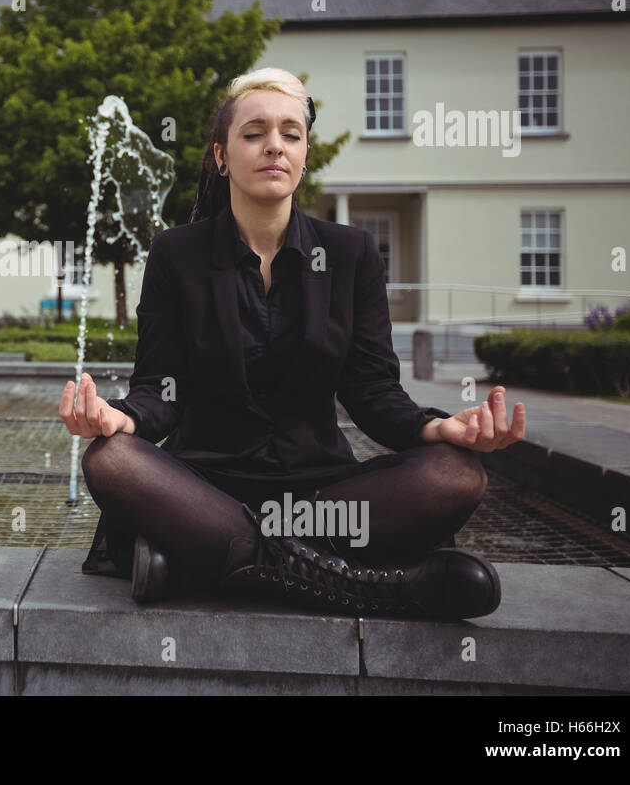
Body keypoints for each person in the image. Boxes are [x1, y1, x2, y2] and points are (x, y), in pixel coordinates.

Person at [57, 68, 526, 620]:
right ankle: (371, 585)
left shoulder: (351, 254)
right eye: (253, 133)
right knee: (112, 460)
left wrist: (437, 427)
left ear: (304, 153)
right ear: (222, 156)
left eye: (290, 133)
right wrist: (120, 419)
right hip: (205, 492)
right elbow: (162, 389)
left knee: (457, 473)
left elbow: (373, 391)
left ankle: (203, 564)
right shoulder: (176, 255)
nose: (274, 145)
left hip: (321, 498)